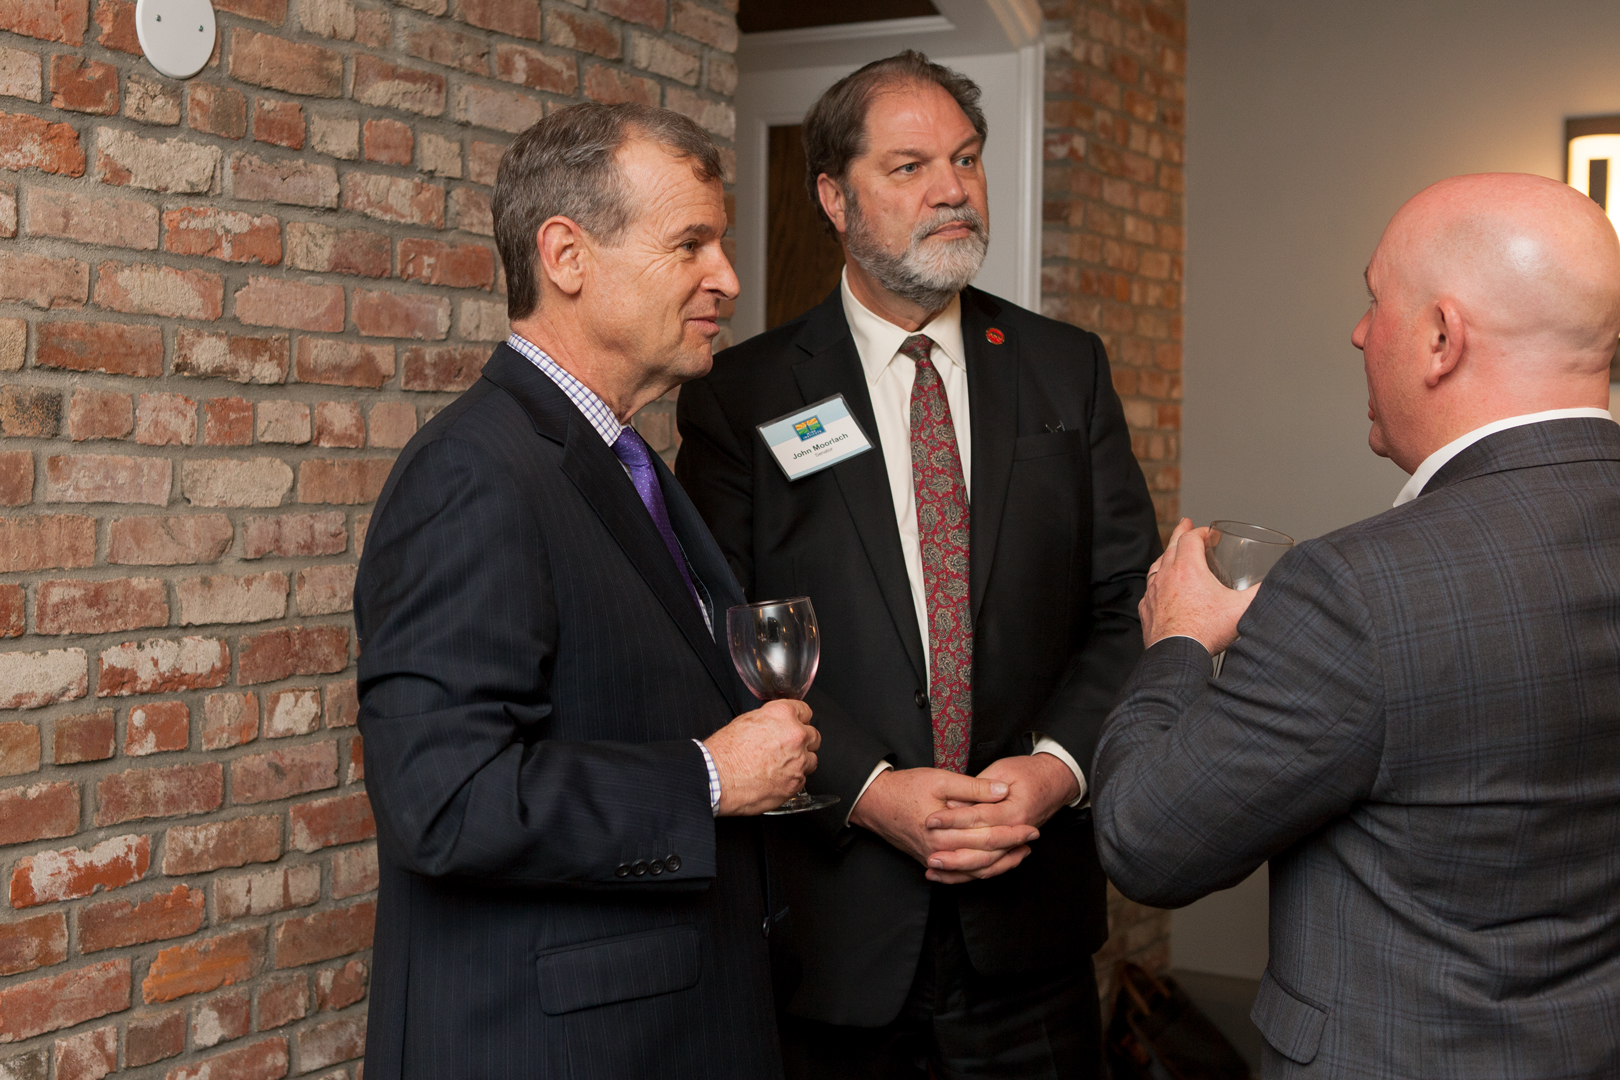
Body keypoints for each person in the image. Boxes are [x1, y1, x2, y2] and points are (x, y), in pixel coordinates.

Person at [676, 51, 1161, 1078]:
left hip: (1030, 929)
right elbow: (723, 628)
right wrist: (870, 790)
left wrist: (1056, 770)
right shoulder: (744, 394)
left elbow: (1127, 603)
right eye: (909, 167)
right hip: (832, 939)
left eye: (966, 158)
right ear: (834, 198)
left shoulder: (1065, 368)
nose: (952, 189)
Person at [1092, 172, 1620, 1078]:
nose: (1359, 331)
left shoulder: (1354, 591)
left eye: (1376, 300)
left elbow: (1147, 841)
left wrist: (1178, 637)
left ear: (1442, 338)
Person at [353, 102, 822, 1080]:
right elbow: (444, 802)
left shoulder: (622, 460)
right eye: (690, 243)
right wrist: (707, 778)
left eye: (722, 243)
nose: (728, 278)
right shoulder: (473, 473)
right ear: (566, 256)